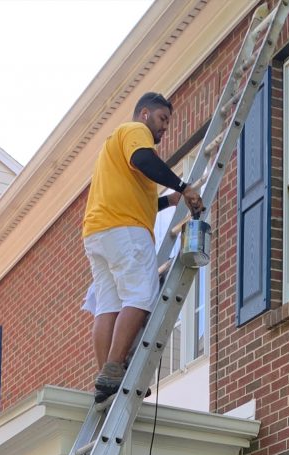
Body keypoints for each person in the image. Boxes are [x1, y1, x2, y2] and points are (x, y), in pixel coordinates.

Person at [82, 92, 204, 401]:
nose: (165, 127)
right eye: (163, 119)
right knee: (141, 293)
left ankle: (107, 378)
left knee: (109, 304)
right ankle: (114, 366)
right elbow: (143, 159)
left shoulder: (113, 150)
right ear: (145, 114)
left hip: (99, 232)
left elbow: (139, 197)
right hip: (124, 229)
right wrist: (183, 186)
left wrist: (169, 200)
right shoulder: (135, 131)